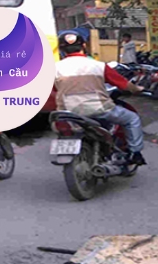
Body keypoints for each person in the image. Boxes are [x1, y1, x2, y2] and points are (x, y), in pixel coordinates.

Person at [55, 31, 146, 166]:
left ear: (61, 49)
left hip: (67, 112)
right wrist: (137, 89)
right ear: (84, 46)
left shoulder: (54, 68)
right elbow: (124, 84)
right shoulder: (99, 66)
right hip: (100, 109)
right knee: (132, 119)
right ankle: (135, 153)